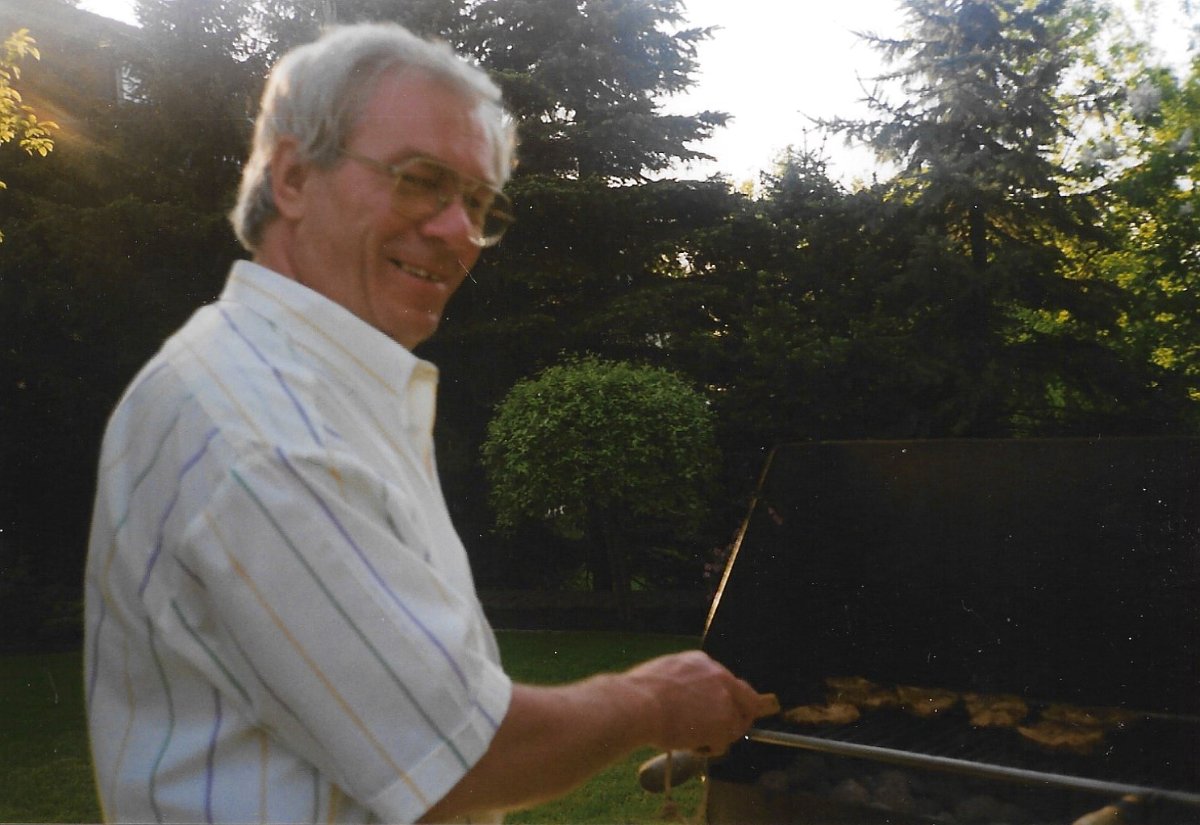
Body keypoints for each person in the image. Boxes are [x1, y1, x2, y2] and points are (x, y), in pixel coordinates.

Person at [83, 22, 776, 824]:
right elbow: (460, 758)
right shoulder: (259, 422)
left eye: (477, 203)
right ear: (295, 178)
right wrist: (648, 699)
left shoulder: (307, 390)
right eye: (419, 181)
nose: (457, 233)